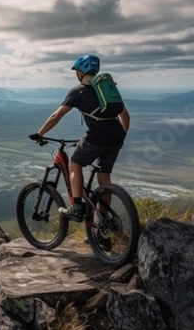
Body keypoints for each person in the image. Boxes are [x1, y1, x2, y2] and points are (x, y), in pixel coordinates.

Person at [29, 54, 130, 220]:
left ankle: (76, 207)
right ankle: (103, 224)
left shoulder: (78, 91)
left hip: (97, 137)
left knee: (74, 163)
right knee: (104, 177)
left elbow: (56, 115)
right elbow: (126, 117)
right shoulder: (107, 90)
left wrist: (40, 133)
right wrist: (121, 136)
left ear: (80, 72)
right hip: (117, 137)